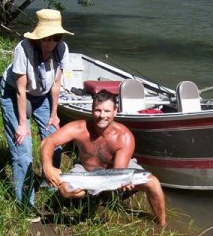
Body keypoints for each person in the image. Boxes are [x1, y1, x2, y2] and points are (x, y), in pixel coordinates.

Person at [41, 90, 166, 226]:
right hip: (85, 170)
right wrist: (48, 167)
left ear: (115, 111)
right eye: (98, 110)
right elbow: (48, 142)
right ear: (92, 110)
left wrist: (124, 183)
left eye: (107, 111)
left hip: (114, 172)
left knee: (153, 182)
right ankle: (90, 197)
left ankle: (162, 224)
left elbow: (119, 171)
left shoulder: (124, 136)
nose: (102, 116)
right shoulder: (79, 128)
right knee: (65, 190)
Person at [0, 9, 74, 214]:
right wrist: (23, 124)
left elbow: (56, 85)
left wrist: (54, 114)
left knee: (54, 141)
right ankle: (25, 204)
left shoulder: (62, 49)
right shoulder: (23, 49)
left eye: (56, 38)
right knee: (23, 150)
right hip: (14, 93)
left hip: (43, 95)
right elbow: (21, 91)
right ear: (38, 37)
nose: (52, 43)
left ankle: (51, 186)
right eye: (47, 38)